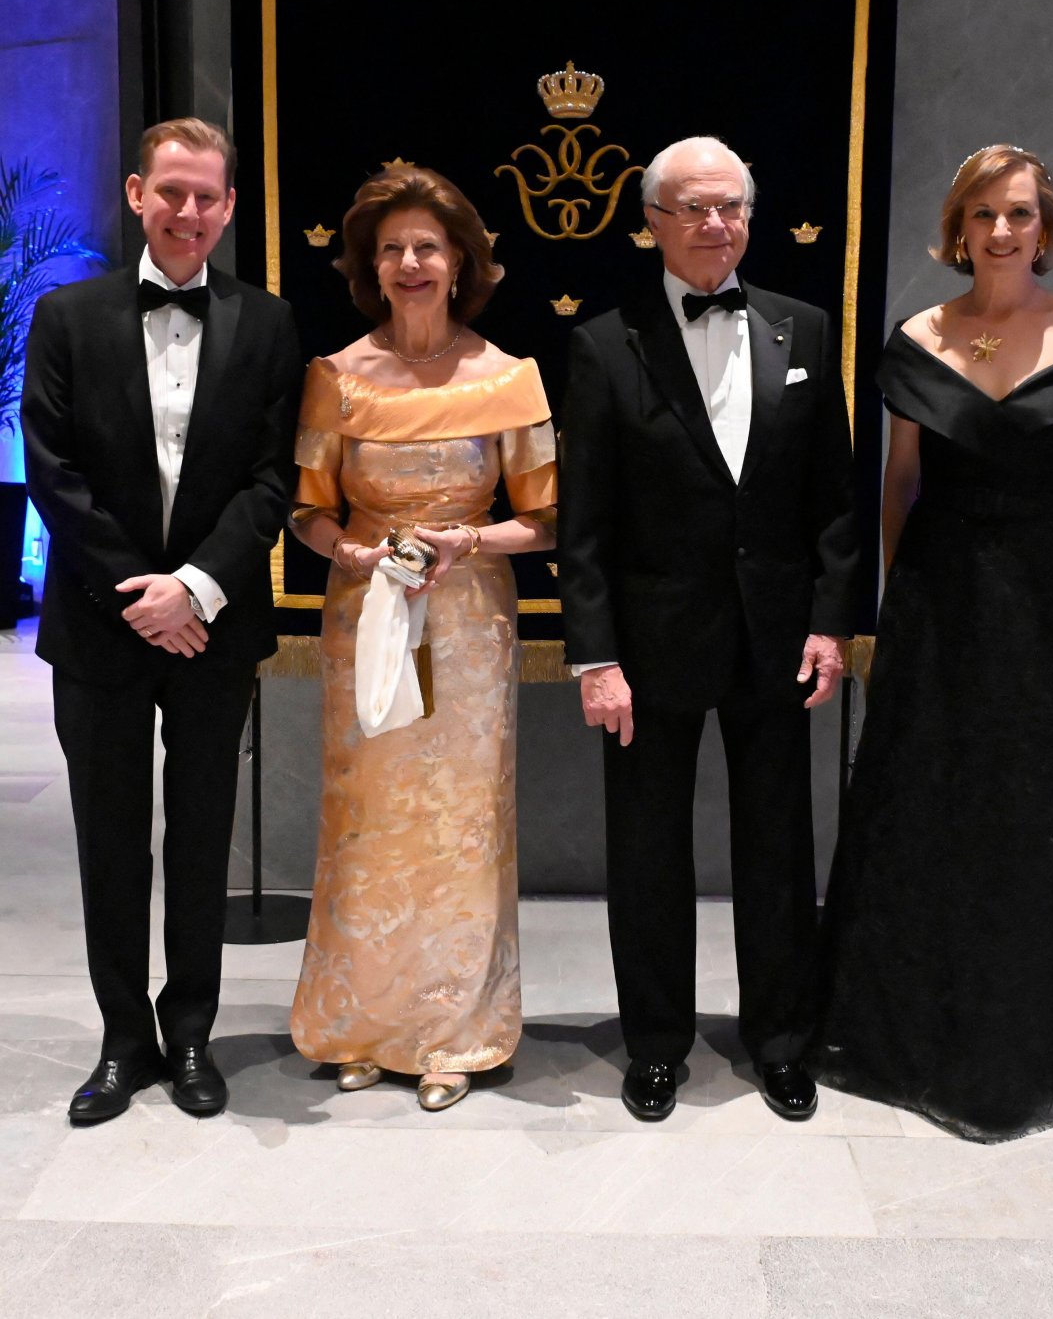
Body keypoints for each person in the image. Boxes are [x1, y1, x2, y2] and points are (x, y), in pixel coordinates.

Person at [808, 144, 1053, 1143]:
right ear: (958, 229)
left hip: (1049, 599)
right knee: (929, 801)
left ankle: (1036, 1033)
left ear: (1043, 226)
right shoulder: (918, 338)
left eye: (1018, 214)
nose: (1002, 232)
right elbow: (897, 484)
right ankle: (913, 1025)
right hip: (941, 593)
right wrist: (892, 606)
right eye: (983, 216)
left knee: (1039, 804)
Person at [557, 136, 857, 1122]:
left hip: (775, 638)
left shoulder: (803, 330)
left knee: (778, 848)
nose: (716, 226)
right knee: (647, 851)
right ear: (651, 220)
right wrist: (596, 656)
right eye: (693, 208)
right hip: (647, 648)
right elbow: (585, 523)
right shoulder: (604, 343)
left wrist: (829, 623)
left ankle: (779, 1039)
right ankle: (655, 1045)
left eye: (731, 207)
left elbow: (834, 503)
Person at [22, 118, 303, 1123]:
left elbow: (276, 478)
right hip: (103, 627)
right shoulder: (67, 315)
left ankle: (191, 1034)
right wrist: (142, 594)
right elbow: (52, 471)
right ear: (138, 193)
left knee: (199, 835)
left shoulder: (268, 324)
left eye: (207, 197)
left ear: (229, 207)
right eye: (171, 192)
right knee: (109, 837)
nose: (188, 212)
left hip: (213, 625)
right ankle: (122, 1038)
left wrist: (200, 587)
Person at [288, 164, 556, 1112]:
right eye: (392, 247)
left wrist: (466, 539)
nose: (409, 262)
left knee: (461, 824)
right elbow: (307, 510)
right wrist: (354, 554)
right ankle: (362, 1021)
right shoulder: (336, 379)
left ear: (459, 262)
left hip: (471, 617)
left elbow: (551, 519)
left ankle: (453, 1031)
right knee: (368, 819)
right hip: (365, 612)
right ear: (372, 263)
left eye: (427, 247)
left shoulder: (508, 379)